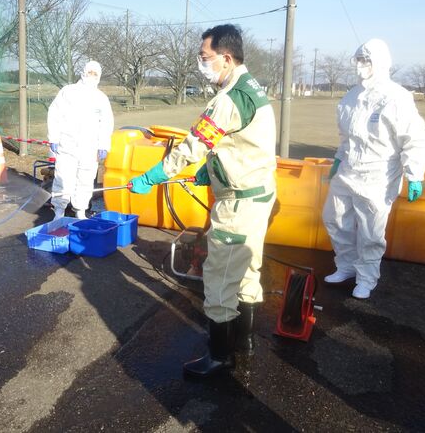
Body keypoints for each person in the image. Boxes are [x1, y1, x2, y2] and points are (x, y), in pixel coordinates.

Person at [129, 24, 277, 378]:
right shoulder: (251, 88)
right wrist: (213, 171)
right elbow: (238, 143)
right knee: (246, 270)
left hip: (239, 205)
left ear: (226, 58)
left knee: (219, 277)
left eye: (205, 57)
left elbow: (194, 144)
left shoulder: (227, 100)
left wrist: (153, 176)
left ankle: (220, 356)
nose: (201, 64)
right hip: (258, 194)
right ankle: (244, 342)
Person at [322, 38, 425, 299]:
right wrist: (338, 159)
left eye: (366, 60)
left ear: (379, 63)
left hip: (378, 175)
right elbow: (347, 137)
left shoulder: (396, 97)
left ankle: (367, 277)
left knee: (371, 232)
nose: (360, 65)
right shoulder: (351, 96)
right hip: (348, 169)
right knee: (334, 219)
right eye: (358, 60)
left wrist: (415, 174)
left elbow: (414, 138)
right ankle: (346, 266)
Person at [47, 60, 114, 219]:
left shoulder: (101, 98)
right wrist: (54, 137)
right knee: (63, 178)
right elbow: (54, 114)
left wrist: (103, 145)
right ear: (83, 72)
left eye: (95, 74)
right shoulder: (68, 91)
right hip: (67, 144)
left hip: (90, 148)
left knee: (85, 180)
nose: (91, 76)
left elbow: (106, 123)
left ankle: (80, 210)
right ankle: (59, 211)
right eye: (89, 72)